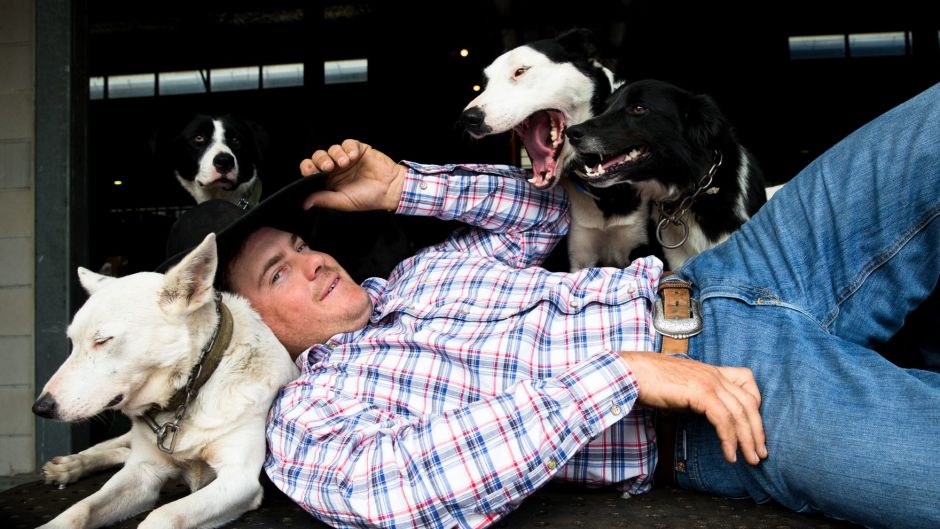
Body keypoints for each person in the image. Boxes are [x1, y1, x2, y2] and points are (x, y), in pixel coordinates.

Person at [164, 82, 939, 529]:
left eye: (300, 245)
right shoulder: (312, 419)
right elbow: (403, 483)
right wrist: (624, 375)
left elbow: (541, 214)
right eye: (278, 271)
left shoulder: (418, 276)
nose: (314, 260)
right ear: (246, 326)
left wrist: (405, 187)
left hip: (743, 268)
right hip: (731, 411)